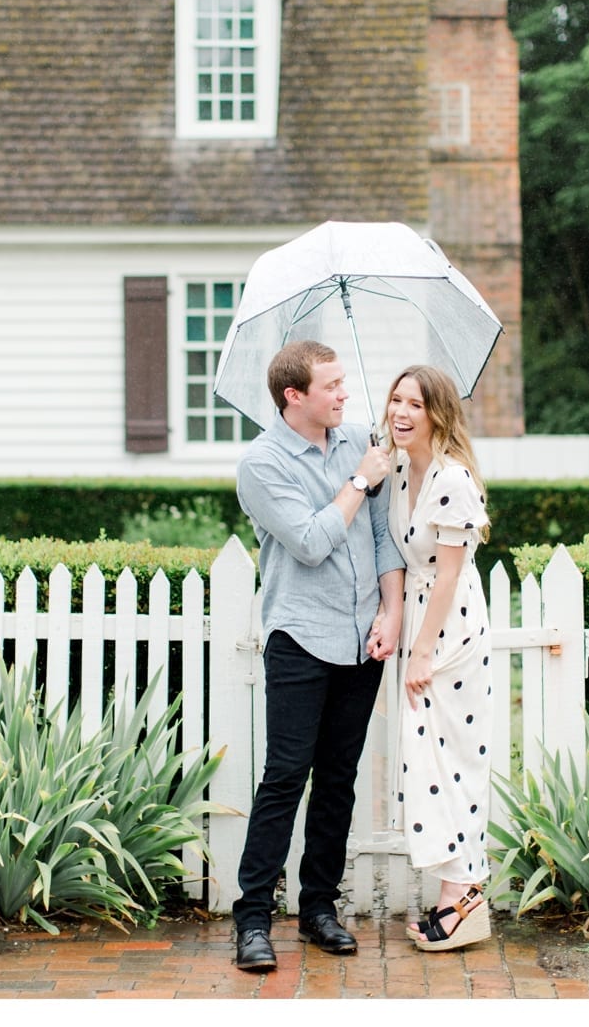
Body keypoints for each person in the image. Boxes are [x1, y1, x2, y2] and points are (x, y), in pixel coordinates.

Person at [230, 339, 406, 972]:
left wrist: (391, 613)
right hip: (301, 637)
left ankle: (318, 910)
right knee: (285, 778)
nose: (345, 394)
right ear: (293, 396)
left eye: (342, 383)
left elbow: (385, 539)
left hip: (365, 640)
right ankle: (251, 920)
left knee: (339, 778)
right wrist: (361, 479)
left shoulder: (361, 437)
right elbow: (309, 541)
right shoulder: (263, 463)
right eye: (331, 386)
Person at [381, 364, 494, 951]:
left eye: (415, 405)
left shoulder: (451, 479)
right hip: (422, 622)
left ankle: (465, 895)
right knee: (427, 760)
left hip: (451, 631)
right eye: (396, 400)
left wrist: (421, 650)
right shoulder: (401, 471)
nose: (401, 412)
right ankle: (457, 893)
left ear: (438, 414)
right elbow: (396, 558)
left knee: (453, 759)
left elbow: (449, 576)